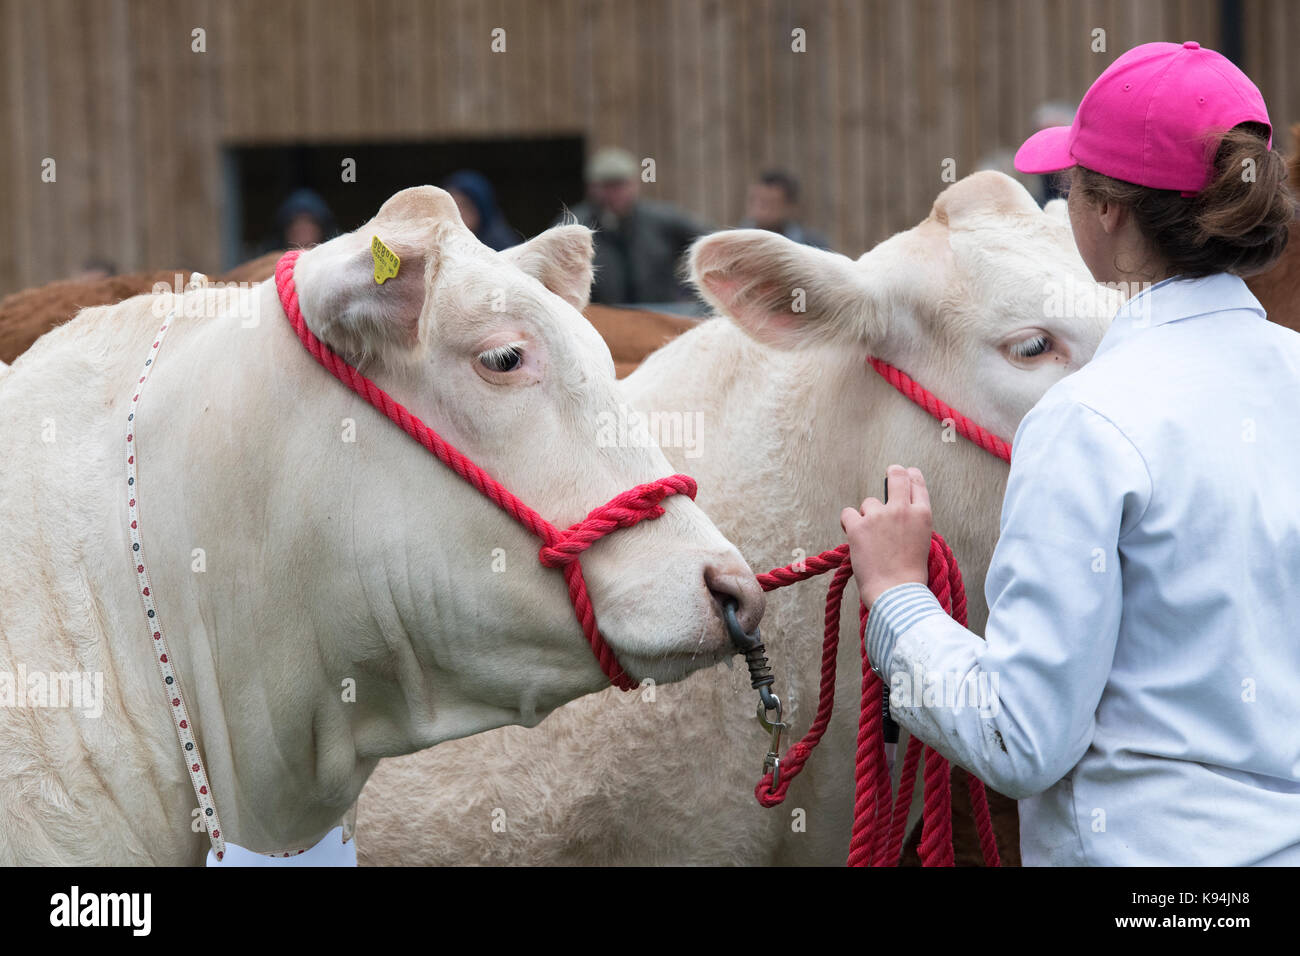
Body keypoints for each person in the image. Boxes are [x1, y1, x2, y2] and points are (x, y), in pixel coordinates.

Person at [841, 41, 1299, 865]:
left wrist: (900, 597)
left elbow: (1021, 738)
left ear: (1108, 213)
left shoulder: (1088, 419)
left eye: (1070, 185)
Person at [559, 147, 708, 305]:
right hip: (601, 317)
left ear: (634, 184)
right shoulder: (574, 226)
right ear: (592, 187)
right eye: (606, 186)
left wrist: (692, 291)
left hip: (660, 314)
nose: (614, 193)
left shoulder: (661, 220)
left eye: (620, 185)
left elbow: (707, 241)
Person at [739, 169, 830, 249]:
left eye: (768, 203)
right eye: (753, 201)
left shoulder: (813, 246)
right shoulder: (734, 244)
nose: (759, 210)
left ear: (790, 207)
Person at [442, 169, 519, 251]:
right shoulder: (441, 244)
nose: (457, 213)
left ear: (481, 209)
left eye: (464, 206)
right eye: (449, 206)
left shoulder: (503, 248)